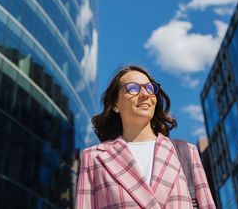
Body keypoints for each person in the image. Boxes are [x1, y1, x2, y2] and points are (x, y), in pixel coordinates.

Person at [75, 66, 216, 208]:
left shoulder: (186, 153)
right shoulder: (94, 158)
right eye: (133, 88)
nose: (145, 94)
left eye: (150, 88)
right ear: (115, 104)